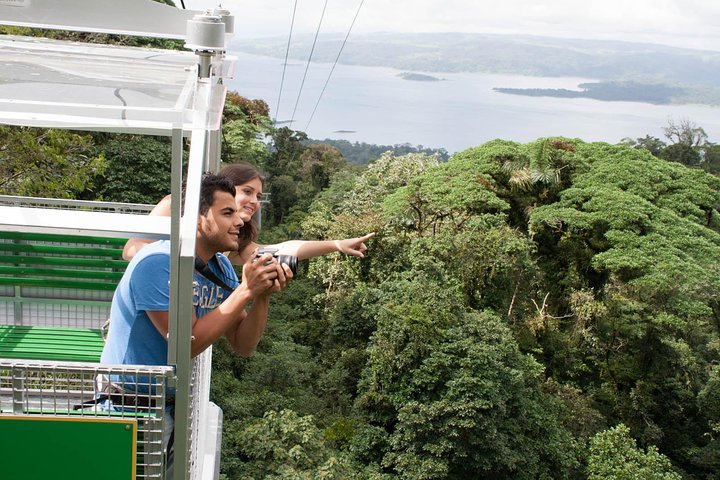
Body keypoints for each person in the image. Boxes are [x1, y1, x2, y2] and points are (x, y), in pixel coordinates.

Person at [100, 173, 292, 475]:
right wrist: (245, 290)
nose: (239, 221)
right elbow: (185, 343)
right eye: (226, 213)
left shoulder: (221, 268)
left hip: (172, 404)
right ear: (199, 217)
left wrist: (261, 296)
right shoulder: (159, 263)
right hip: (128, 407)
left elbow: (243, 344)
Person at [122, 162, 375, 265]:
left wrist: (336, 245)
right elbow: (131, 249)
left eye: (258, 196)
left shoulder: (232, 238)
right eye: (247, 191)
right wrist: (180, 259)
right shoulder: (176, 205)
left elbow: (281, 249)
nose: (254, 202)